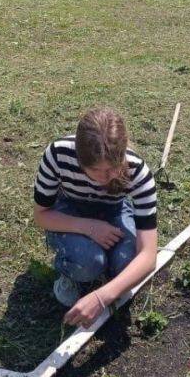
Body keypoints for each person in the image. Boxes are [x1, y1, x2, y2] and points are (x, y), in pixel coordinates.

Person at [33, 106, 158, 327]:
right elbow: (42, 216)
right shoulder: (58, 154)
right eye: (95, 171)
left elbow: (148, 255)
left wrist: (101, 297)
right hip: (69, 210)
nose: (104, 178)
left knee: (128, 262)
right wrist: (89, 227)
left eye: (111, 170)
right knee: (89, 262)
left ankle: (105, 277)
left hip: (114, 210)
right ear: (80, 160)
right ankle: (71, 274)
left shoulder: (138, 172)